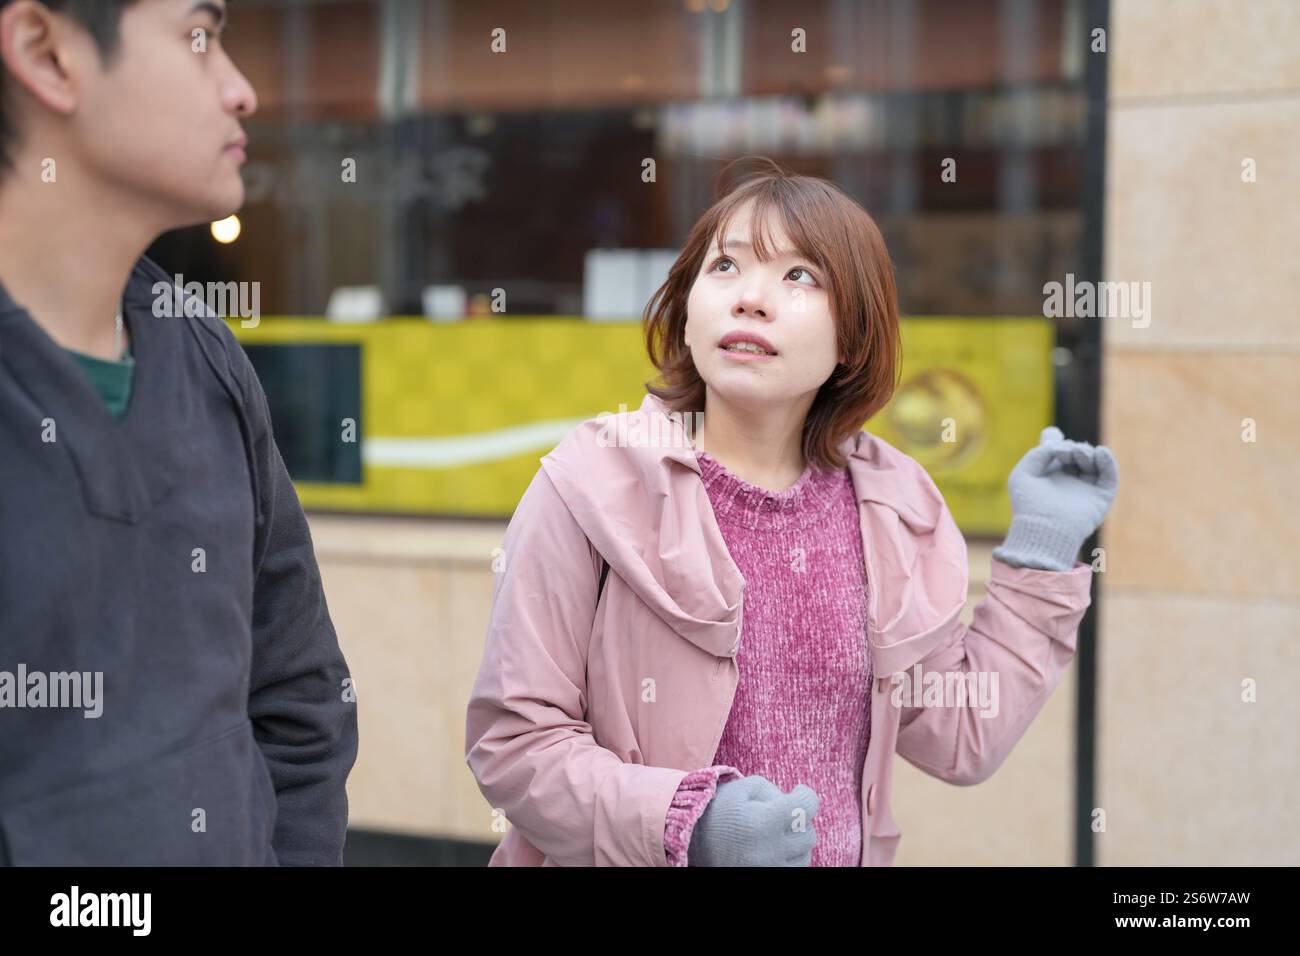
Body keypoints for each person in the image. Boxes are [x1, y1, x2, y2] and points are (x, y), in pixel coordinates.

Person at [465, 158, 1118, 867]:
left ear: (852, 341)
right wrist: (691, 825)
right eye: (725, 267)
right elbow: (516, 745)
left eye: (800, 276)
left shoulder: (891, 505)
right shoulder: (592, 485)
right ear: (687, 313)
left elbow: (960, 735)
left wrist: (1042, 549)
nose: (751, 298)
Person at [0, 0, 357, 864]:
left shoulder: (207, 363)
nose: (242, 90)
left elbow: (300, 700)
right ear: (46, 53)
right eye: (200, 38)